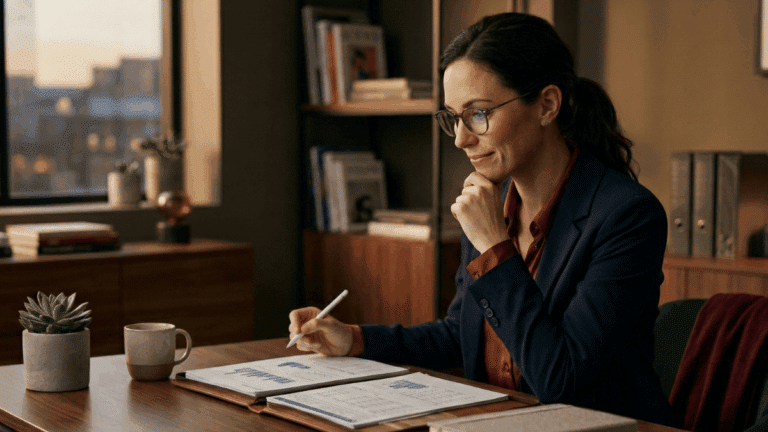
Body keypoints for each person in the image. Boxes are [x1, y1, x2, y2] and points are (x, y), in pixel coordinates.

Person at [289, 12, 679, 428]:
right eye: (453, 117)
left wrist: (496, 248)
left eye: (478, 114)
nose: (461, 138)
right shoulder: (492, 206)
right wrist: (354, 339)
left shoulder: (628, 216)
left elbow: (561, 379)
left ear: (547, 104)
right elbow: (464, 334)